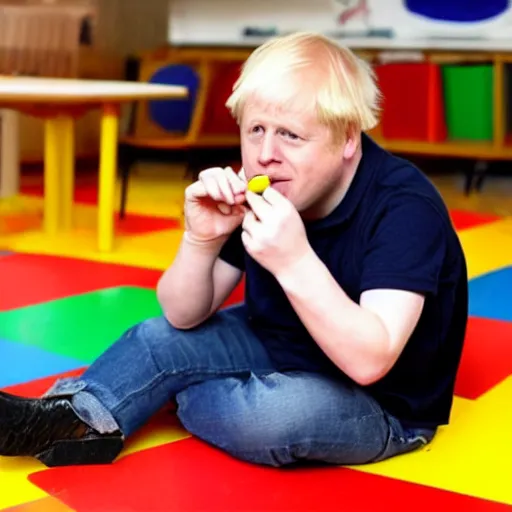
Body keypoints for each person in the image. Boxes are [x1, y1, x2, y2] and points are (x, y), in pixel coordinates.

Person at [0, 31, 468, 468]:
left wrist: (293, 259)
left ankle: (172, 393)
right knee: (155, 338)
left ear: (348, 139)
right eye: (255, 130)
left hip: (382, 403)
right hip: (277, 345)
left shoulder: (404, 207)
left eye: (291, 135)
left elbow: (370, 361)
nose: (266, 154)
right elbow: (182, 315)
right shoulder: (270, 188)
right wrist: (200, 239)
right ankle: (69, 420)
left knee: (277, 415)